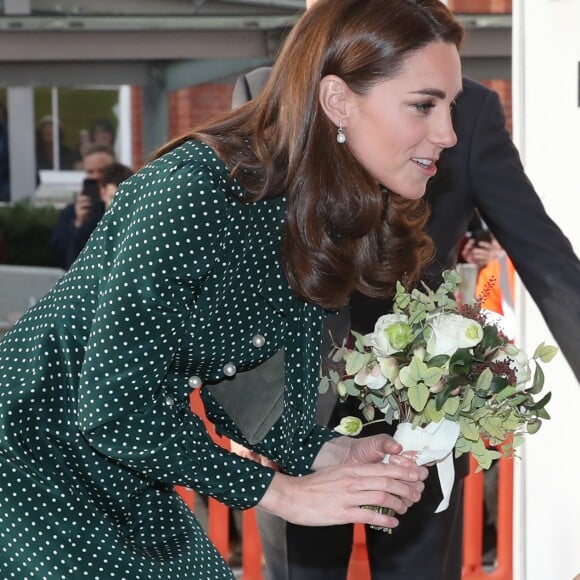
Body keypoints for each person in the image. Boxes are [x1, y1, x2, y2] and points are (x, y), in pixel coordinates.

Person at [0, 0, 464, 577]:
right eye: (424, 105)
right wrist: (283, 493)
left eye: (451, 106)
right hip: (25, 463)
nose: (447, 133)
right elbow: (115, 407)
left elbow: (262, 396)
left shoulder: (314, 211)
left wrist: (331, 453)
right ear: (338, 101)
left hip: (126, 475)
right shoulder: (194, 189)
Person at [232, 2, 580, 579]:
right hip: (296, 406)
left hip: (421, 407)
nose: (441, 129)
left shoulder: (469, 110)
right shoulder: (267, 93)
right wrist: (248, 405)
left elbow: (546, 259)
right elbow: (245, 274)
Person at [50, 143, 116, 269]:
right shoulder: (71, 213)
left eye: (102, 170)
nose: (96, 176)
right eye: (90, 171)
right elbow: (63, 259)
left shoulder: (127, 205)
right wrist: (79, 224)